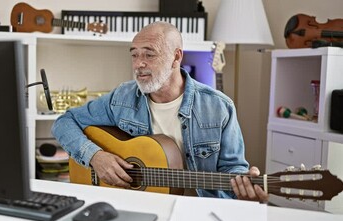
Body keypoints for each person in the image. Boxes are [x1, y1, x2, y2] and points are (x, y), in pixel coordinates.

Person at [51, 21, 268, 202]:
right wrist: (96, 157)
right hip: (136, 206)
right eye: (134, 55)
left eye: (149, 54)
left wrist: (245, 189)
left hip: (199, 214)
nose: (139, 64)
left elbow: (233, 171)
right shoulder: (122, 98)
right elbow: (64, 122)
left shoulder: (219, 107)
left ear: (176, 57)